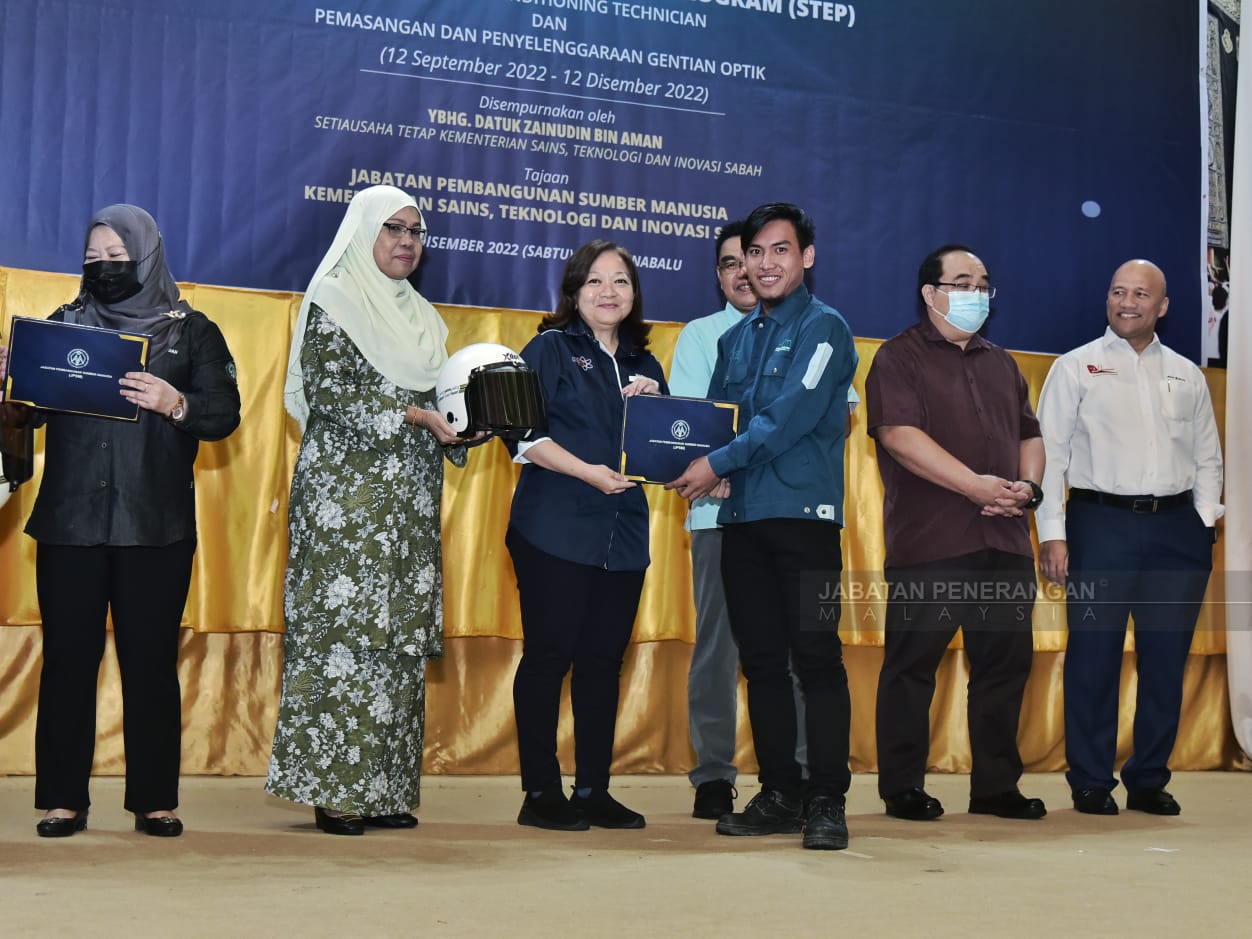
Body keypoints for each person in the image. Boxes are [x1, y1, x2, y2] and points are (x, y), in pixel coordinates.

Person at [1, 204, 240, 838]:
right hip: (70, 524)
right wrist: (11, 386)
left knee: (151, 664)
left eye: (116, 256)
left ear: (147, 256)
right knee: (67, 662)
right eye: (92, 258)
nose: (103, 267)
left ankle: (154, 800)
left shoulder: (192, 332)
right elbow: (28, 417)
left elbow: (224, 413)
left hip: (156, 526)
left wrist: (176, 401)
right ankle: (62, 800)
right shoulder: (64, 326)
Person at [265, 185, 468, 836]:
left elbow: (446, 400)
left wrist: (465, 425)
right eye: (393, 228)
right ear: (363, 233)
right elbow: (331, 393)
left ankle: (382, 790)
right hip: (345, 503)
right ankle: (334, 791)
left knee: (397, 637)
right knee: (343, 636)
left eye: (415, 230)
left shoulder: (425, 319)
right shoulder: (336, 298)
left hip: (408, 502)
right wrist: (415, 415)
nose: (407, 241)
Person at [667, 202, 857, 851]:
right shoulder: (734, 338)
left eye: (781, 249)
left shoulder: (826, 328)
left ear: (807, 257)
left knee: (817, 660)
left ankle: (826, 797)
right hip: (742, 519)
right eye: (756, 251)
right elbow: (718, 420)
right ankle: (780, 791)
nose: (766, 263)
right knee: (762, 663)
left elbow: (788, 418)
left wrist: (716, 463)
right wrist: (692, 456)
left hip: (804, 521)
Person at [865, 244, 1046, 823]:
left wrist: (1028, 487)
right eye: (962, 282)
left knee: (1004, 668)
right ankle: (902, 787)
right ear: (930, 293)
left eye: (983, 283)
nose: (976, 293)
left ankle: (996, 786)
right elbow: (898, 435)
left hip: (1007, 540)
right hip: (933, 541)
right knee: (912, 667)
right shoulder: (899, 357)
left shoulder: (1003, 363)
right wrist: (973, 486)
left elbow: (1030, 434)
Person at [1036, 259, 1223, 816]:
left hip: (1178, 534)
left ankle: (1148, 778)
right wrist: (1052, 533)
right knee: (1093, 658)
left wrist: (1203, 523)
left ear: (1162, 306)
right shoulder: (1075, 366)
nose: (1127, 302)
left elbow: (1208, 457)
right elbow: (1050, 457)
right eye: (1118, 291)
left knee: (1165, 661)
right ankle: (1091, 779)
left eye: (1141, 294)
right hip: (1100, 526)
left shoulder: (1187, 374)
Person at [507, 239, 668, 832]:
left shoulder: (646, 365)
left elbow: (665, 453)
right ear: (574, 292)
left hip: (623, 536)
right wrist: (588, 473)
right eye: (595, 280)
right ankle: (540, 792)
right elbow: (522, 437)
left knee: (603, 663)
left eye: (620, 281)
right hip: (554, 529)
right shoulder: (549, 349)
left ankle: (593, 789)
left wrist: (660, 406)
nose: (608, 292)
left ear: (634, 294)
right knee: (549, 658)